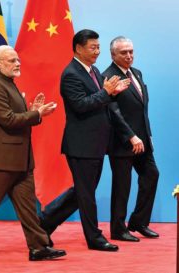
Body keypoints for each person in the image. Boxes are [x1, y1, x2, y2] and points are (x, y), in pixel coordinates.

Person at [0, 45, 66, 261]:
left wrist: (33, 111)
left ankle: (38, 247)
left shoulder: (7, 84)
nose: (18, 64)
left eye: (17, 60)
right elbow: (7, 120)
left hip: (19, 159)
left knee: (27, 208)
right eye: (12, 61)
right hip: (1, 159)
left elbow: (14, 117)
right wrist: (35, 113)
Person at [58, 29, 129, 251]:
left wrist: (112, 92)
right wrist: (107, 93)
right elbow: (80, 105)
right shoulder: (70, 73)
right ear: (79, 48)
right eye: (93, 47)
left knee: (81, 192)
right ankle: (95, 238)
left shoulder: (94, 70)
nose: (97, 51)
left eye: (98, 47)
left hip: (96, 143)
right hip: (81, 144)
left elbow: (100, 100)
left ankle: (44, 223)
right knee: (86, 194)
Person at [102, 36, 159, 242]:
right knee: (122, 186)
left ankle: (138, 222)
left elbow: (141, 110)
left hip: (143, 140)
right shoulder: (108, 77)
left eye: (131, 51)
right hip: (122, 142)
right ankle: (118, 229)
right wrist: (131, 136)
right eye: (124, 52)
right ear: (113, 55)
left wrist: (146, 136)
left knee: (151, 175)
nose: (129, 55)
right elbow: (113, 111)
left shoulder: (137, 73)